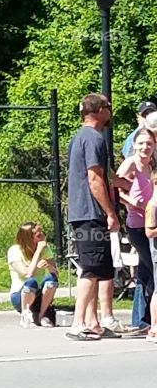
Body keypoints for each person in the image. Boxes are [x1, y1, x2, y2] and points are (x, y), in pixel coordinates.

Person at [66, 94, 123, 342]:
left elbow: (105, 175)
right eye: (108, 107)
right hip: (90, 213)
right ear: (100, 110)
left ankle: (93, 322)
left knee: (98, 267)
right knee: (90, 268)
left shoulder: (79, 137)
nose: (110, 112)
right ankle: (77, 323)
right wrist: (110, 212)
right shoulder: (94, 139)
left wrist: (127, 184)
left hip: (82, 213)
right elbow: (94, 178)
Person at [118, 129, 155, 333]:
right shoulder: (131, 163)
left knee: (144, 270)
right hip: (137, 225)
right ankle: (147, 318)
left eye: (149, 143)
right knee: (152, 267)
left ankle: (141, 319)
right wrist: (133, 202)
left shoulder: (151, 165)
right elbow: (115, 187)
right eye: (141, 143)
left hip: (152, 223)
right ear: (134, 144)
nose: (145, 147)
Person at [7, 222, 58, 327]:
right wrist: (38, 252)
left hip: (40, 294)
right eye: (38, 235)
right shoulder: (15, 251)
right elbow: (28, 274)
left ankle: (42, 315)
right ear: (28, 238)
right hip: (21, 294)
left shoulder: (46, 249)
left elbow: (56, 273)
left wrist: (48, 266)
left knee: (51, 279)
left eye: (42, 233)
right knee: (31, 282)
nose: (42, 237)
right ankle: (25, 315)